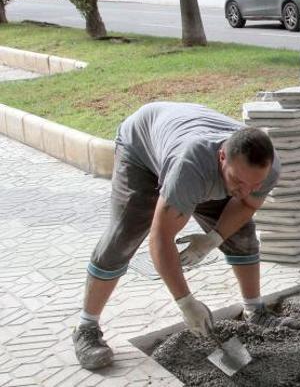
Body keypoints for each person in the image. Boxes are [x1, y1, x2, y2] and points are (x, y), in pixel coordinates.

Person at [73, 102, 289, 370]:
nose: (247, 190)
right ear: (222, 157)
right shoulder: (191, 167)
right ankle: (86, 327)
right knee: (123, 237)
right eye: (239, 182)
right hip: (141, 149)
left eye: (254, 184)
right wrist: (186, 302)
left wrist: (213, 238)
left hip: (189, 143)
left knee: (242, 235)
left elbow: (247, 204)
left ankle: (254, 310)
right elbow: (160, 238)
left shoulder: (266, 169)